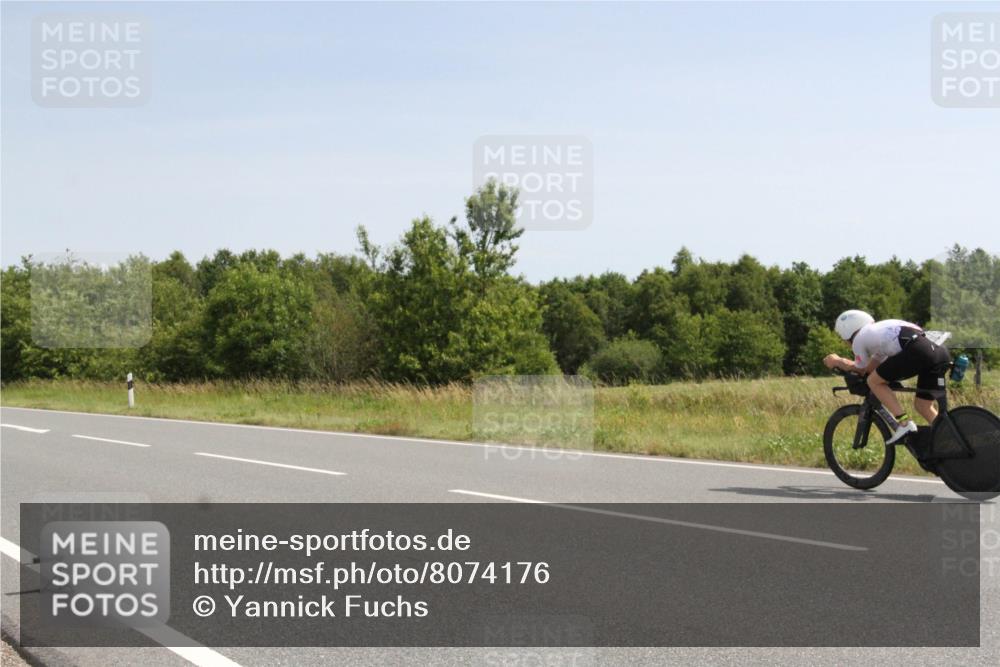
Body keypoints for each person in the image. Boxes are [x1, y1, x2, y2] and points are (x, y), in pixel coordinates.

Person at [822, 309, 952, 444]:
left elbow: (861, 370)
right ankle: (950, 439)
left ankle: (904, 423)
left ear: (846, 332)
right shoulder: (881, 332)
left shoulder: (860, 338)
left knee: (873, 381)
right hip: (939, 350)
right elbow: (870, 367)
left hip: (919, 350)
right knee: (923, 405)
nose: (845, 343)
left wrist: (837, 361)